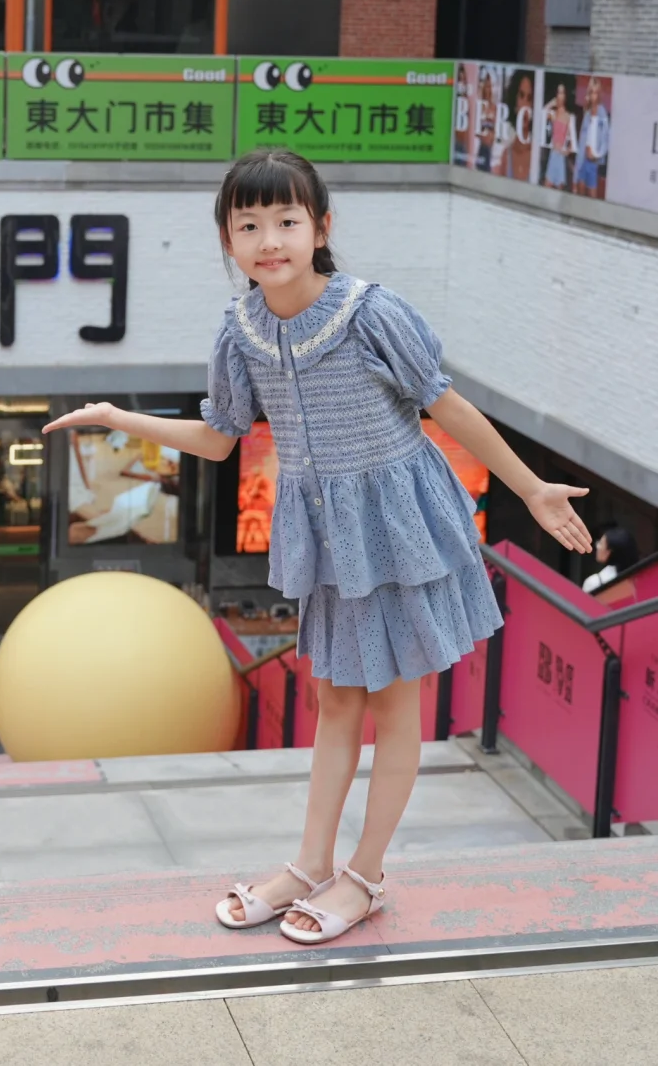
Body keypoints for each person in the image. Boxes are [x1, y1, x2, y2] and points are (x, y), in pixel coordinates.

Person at [44, 149, 592, 947]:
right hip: (329, 536)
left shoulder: (370, 312)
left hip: (396, 524)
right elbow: (220, 438)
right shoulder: (240, 331)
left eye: (287, 220)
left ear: (321, 227)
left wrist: (532, 486)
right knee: (336, 700)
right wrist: (117, 417)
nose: (269, 240)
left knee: (394, 704)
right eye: (249, 225)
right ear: (228, 239)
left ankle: (364, 877)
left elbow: (446, 404)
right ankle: (309, 865)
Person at [574, 77, 610, 199]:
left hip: (593, 163)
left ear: (598, 94)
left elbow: (606, 139)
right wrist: (577, 167)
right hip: (583, 160)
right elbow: (582, 141)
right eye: (591, 92)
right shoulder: (587, 114)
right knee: (580, 194)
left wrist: (597, 155)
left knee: (592, 196)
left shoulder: (602, 113)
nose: (593, 95)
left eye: (595, 92)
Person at [583, 525, 640, 597]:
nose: (597, 546)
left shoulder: (593, 583)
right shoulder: (638, 582)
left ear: (608, 552)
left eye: (600, 543)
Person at [542, 82, 577, 190]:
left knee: (559, 189)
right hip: (553, 154)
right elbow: (542, 114)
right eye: (558, 92)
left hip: (560, 156)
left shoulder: (568, 116)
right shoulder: (553, 113)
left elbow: (572, 142)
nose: (560, 95)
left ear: (565, 95)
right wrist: (551, 104)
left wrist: (566, 151)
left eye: (562, 93)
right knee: (547, 185)